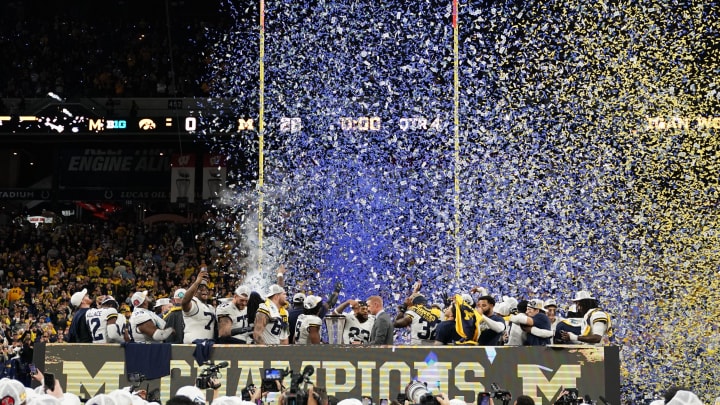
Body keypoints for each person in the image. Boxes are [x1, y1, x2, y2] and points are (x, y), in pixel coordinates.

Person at [181, 269, 217, 343]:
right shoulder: (194, 303)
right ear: (194, 293)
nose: (204, 290)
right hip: (193, 345)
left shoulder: (211, 307)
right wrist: (196, 282)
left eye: (206, 288)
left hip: (208, 345)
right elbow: (184, 302)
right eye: (200, 288)